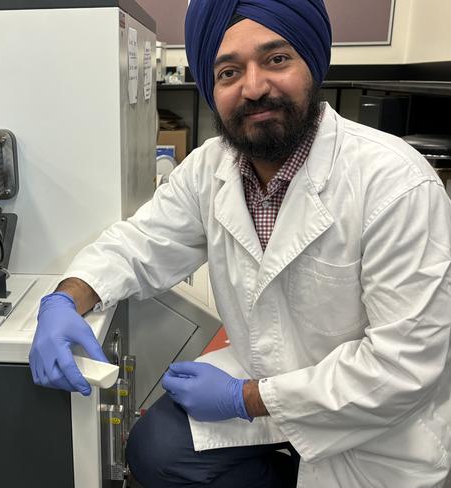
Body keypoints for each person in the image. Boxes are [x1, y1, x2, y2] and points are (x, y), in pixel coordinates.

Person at [29, 0, 451, 486]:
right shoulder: (213, 168)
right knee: (158, 451)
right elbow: (139, 242)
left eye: (276, 60)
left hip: (379, 429)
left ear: (311, 65)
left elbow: (401, 369)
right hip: (264, 367)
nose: (253, 88)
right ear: (213, 89)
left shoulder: (395, 184)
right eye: (229, 71)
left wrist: (245, 398)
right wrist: (65, 299)